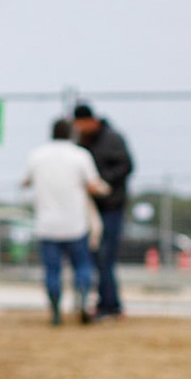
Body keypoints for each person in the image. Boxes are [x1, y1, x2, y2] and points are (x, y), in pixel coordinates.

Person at [23, 119, 110, 326]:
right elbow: (93, 186)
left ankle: (55, 310)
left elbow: (25, 181)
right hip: (75, 225)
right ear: (72, 133)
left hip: (47, 225)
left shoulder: (37, 155)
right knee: (82, 266)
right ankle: (82, 299)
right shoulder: (80, 155)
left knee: (52, 271)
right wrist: (106, 189)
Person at [73, 103, 134, 320]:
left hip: (111, 206)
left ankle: (109, 305)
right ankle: (109, 304)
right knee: (97, 256)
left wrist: (103, 182)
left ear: (91, 121)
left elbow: (126, 166)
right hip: (92, 208)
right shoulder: (83, 141)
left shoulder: (112, 139)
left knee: (105, 256)